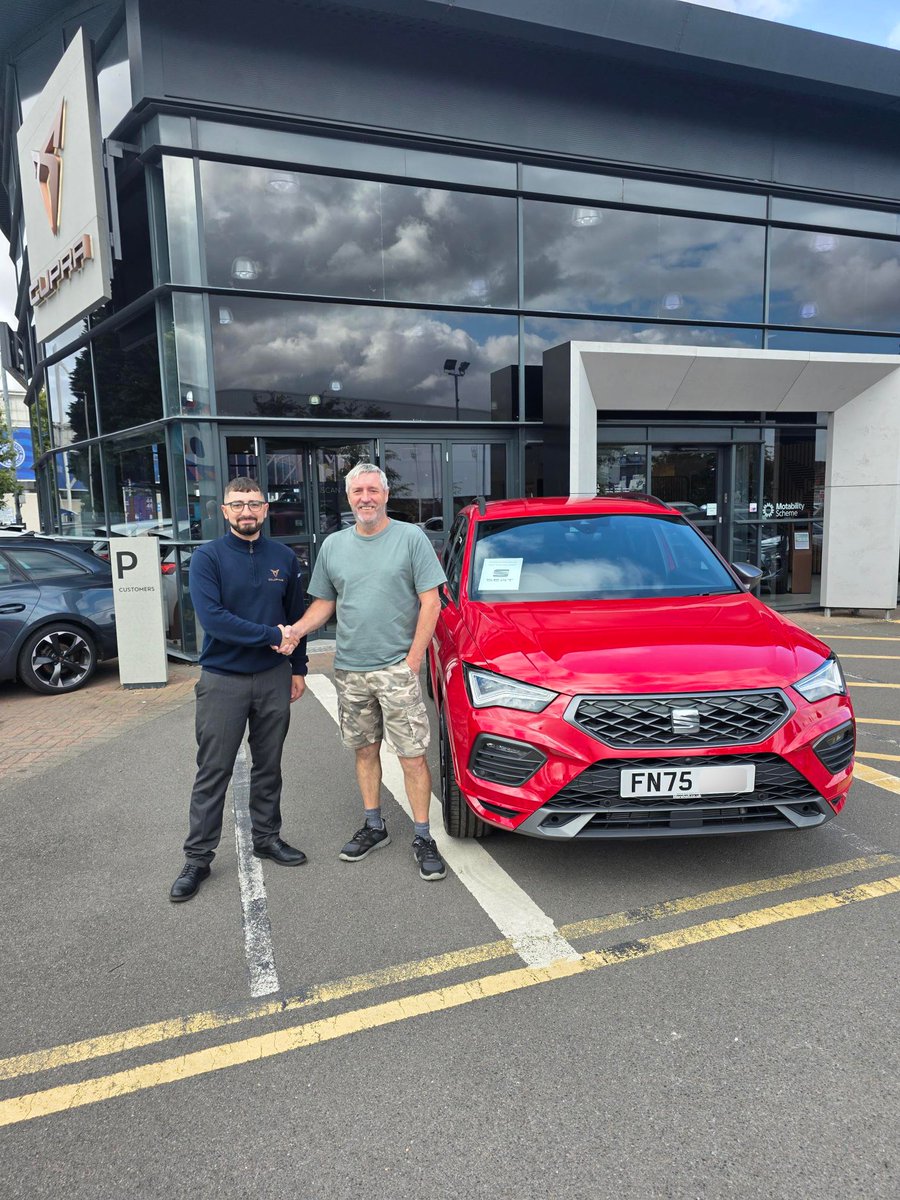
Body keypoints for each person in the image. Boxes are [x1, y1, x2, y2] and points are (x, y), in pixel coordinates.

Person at [279, 463, 448, 881]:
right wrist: (297, 631)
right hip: (351, 671)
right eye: (358, 492)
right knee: (365, 751)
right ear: (349, 497)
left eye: (373, 490)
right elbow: (325, 603)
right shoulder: (334, 546)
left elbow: (432, 602)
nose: (365, 498)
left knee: (411, 757)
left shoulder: (410, 538)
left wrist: (413, 660)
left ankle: (424, 836)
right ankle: (375, 825)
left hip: (396, 669)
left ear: (386, 494)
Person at [170, 476, 309, 902]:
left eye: (254, 504)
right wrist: (271, 634)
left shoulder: (283, 557)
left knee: (269, 766)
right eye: (237, 504)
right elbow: (213, 620)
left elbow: (295, 616)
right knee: (214, 771)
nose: (246, 511)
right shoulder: (207, 558)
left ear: (265, 509)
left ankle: (267, 838)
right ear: (224, 510)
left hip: (272, 678)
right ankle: (197, 858)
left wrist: (297, 668)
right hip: (222, 680)